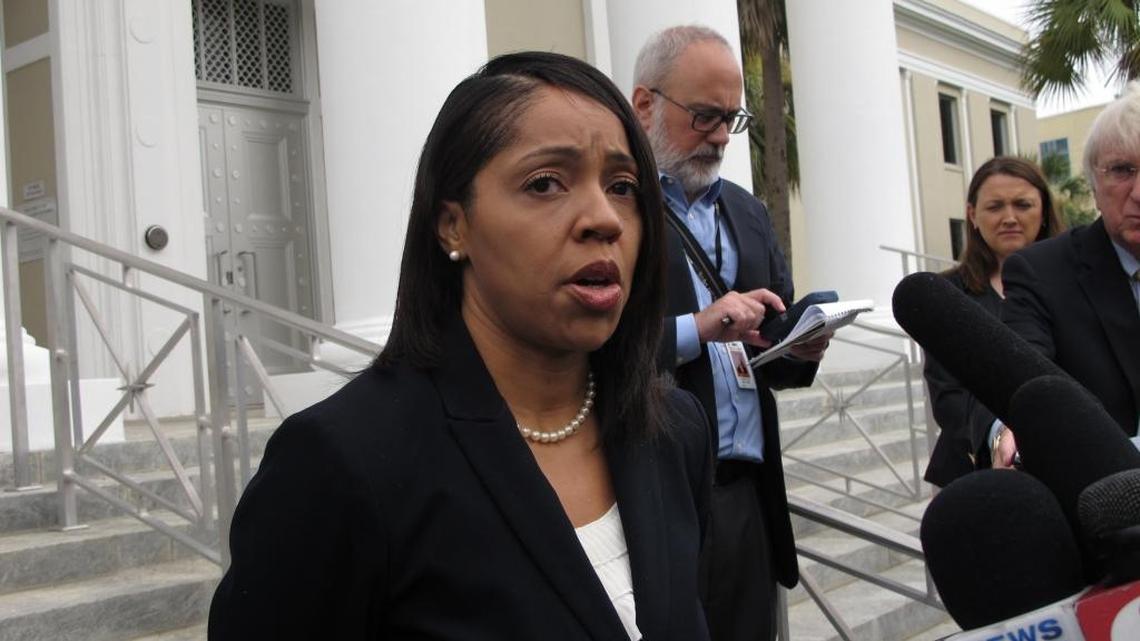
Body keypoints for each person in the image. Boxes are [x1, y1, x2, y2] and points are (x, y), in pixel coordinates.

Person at [207, 51, 713, 641]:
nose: (605, 219)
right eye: (546, 183)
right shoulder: (343, 462)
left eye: (623, 186)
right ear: (454, 224)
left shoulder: (675, 432)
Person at [631, 25, 831, 641]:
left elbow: (769, 345)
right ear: (645, 105)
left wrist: (801, 345)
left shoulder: (747, 211)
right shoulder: (615, 205)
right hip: (655, 494)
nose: (720, 135)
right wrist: (698, 328)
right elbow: (592, 349)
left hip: (746, 494)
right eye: (704, 115)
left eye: (731, 118)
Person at [1001, 82, 1140, 461]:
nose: (1139, 192)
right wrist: (1007, 430)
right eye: (1122, 170)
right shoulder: (1040, 273)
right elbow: (1025, 376)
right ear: (1094, 186)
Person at [922, 157, 1064, 487]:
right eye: (995, 206)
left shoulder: (1074, 283)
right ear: (972, 215)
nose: (1009, 218)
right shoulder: (946, 295)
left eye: (1022, 204)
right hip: (974, 474)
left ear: (1043, 209)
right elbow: (947, 397)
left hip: (1064, 463)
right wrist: (998, 440)